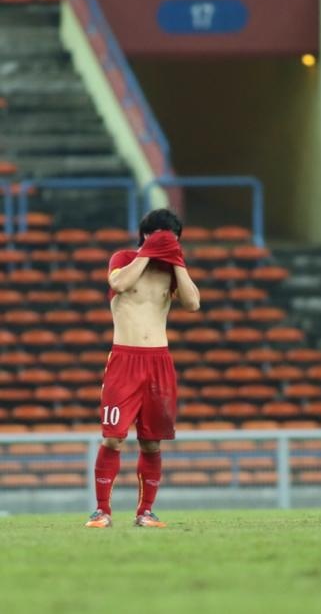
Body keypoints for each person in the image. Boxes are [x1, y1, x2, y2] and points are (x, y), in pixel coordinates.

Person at [85, 209, 201, 528]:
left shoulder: (171, 270)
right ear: (147, 235)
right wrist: (148, 251)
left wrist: (177, 261)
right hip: (125, 359)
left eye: (173, 239)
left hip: (159, 361)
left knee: (151, 442)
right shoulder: (124, 258)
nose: (168, 243)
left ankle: (145, 512)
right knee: (113, 438)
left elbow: (193, 303)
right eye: (162, 237)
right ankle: (102, 511)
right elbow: (119, 283)